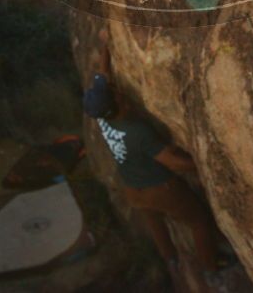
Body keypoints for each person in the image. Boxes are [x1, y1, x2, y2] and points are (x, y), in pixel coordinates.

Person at [83, 30, 225, 287]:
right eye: (115, 93)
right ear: (117, 103)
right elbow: (172, 162)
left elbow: (104, 76)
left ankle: (170, 259)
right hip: (160, 189)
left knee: (155, 221)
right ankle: (211, 270)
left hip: (132, 189)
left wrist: (105, 46)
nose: (117, 90)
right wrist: (207, 167)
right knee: (199, 222)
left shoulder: (102, 115)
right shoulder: (138, 131)